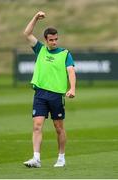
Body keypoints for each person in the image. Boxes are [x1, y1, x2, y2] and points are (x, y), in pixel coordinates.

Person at [23, 11, 76, 168]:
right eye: (51, 40)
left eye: (56, 39)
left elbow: (71, 71)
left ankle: (61, 157)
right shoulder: (40, 49)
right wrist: (35, 17)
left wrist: (72, 88)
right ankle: (36, 158)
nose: (54, 42)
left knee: (58, 128)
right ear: (45, 40)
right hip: (40, 94)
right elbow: (27, 33)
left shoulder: (65, 54)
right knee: (37, 125)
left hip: (56, 96)